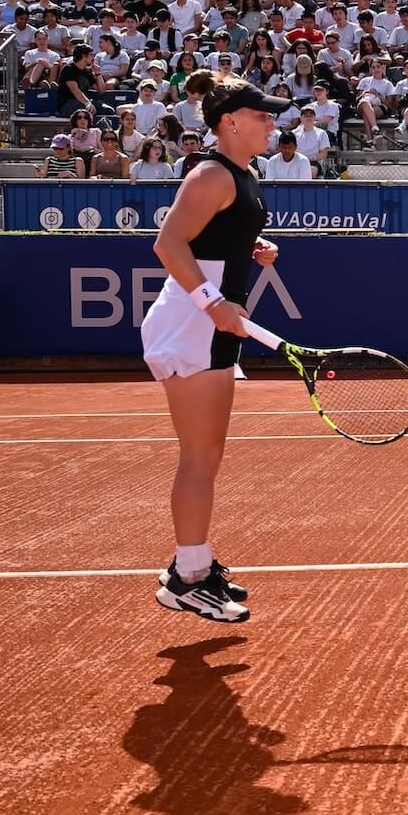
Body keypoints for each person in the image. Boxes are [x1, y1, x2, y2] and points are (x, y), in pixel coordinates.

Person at [142, 70, 289, 624]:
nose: (271, 123)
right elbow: (168, 243)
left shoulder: (242, 173)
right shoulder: (210, 174)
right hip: (193, 324)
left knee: (208, 456)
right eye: (262, 115)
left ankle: (193, 563)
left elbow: (210, 237)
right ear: (230, 122)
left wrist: (249, 245)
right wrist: (213, 303)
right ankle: (189, 579)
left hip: (208, 324)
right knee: (200, 459)